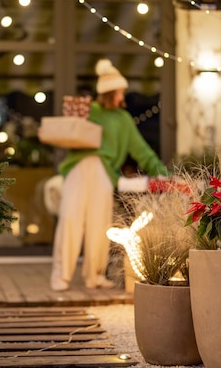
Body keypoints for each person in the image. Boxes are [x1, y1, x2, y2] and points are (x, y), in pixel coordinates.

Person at [50, 58, 168, 291]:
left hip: (104, 173)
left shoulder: (123, 119)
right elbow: (68, 131)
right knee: (70, 219)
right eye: (119, 91)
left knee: (99, 223)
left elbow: (141, 149)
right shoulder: (89, 110)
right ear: (109, 92)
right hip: (79, 167)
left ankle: (94, 276)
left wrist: (161, 173)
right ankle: (60, 275)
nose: (122, 96)